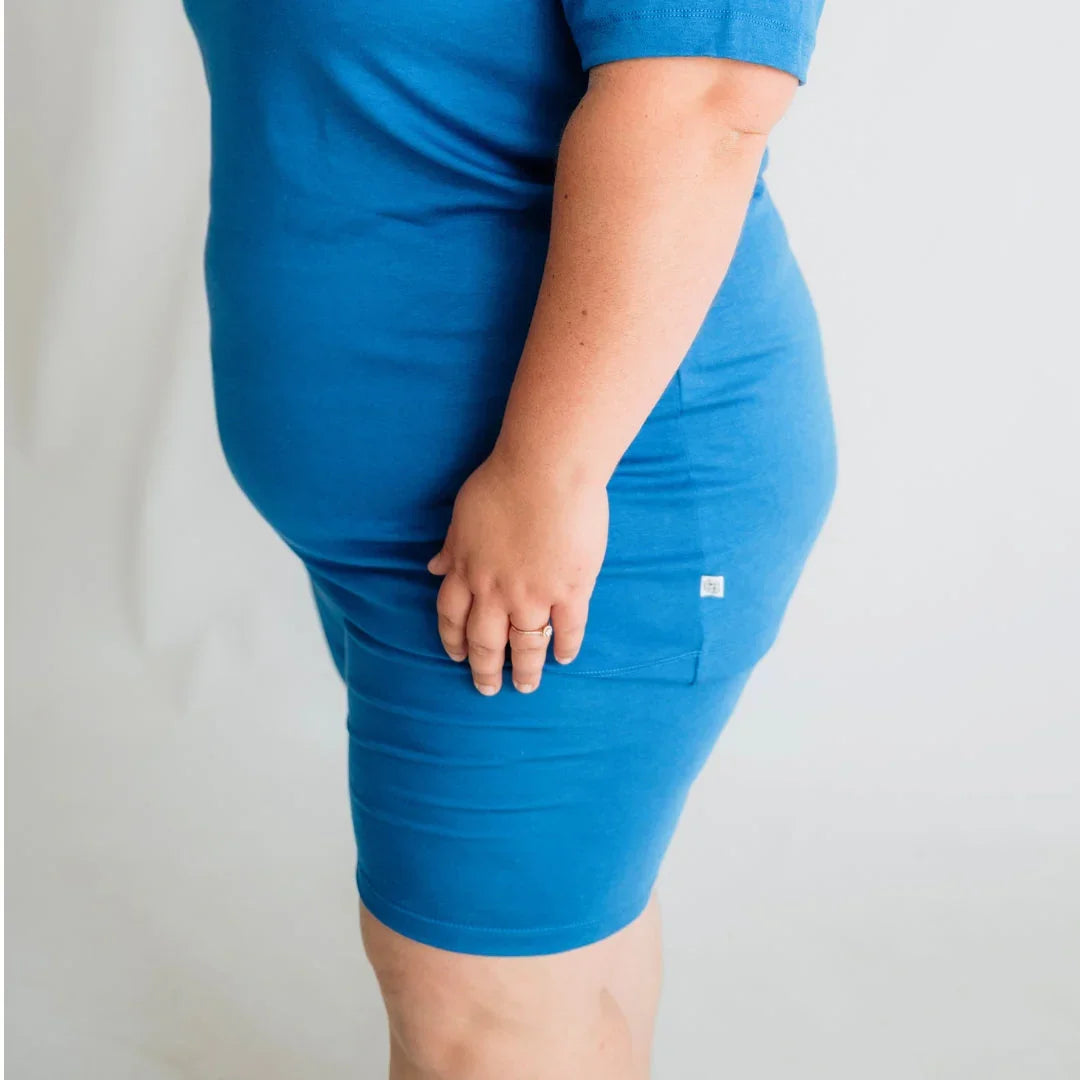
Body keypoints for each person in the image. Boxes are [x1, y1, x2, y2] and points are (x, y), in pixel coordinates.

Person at [183, 0, 836, 1075]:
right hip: (428, 530)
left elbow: (710, 97)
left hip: (590, 501)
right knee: (550, 975)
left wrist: (548, 477)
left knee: (480, 1029)